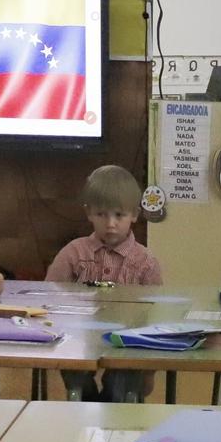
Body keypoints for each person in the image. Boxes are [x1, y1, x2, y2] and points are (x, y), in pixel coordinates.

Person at [47, 165, 162, 401]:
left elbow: (157, 315)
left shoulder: (146, 262)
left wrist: (150, 369)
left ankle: (111, 419)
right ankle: (86, 411)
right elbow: (49, 294)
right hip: (79, 341)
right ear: (89, 213)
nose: (111, 223)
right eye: (102, 214)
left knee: (121, 388)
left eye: (119, 215)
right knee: (76, 383)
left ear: (134, 214)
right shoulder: (73, 252)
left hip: (127, 345)